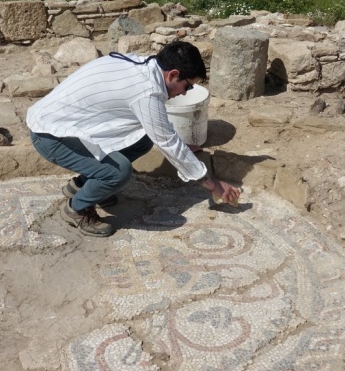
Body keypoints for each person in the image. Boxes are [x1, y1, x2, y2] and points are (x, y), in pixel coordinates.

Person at [27, 41, 241, 237]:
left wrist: (182, 148)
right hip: (50, 135)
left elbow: (160, 132)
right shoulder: (147, 91)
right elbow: (167, 140)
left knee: (143, 139)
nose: (185, 93)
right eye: (188, 86)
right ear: (173, 74)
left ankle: (82, 184)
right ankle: (77, 207)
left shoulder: (144, 65)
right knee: (118, 172)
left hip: (64, 122)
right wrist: (213, 186)